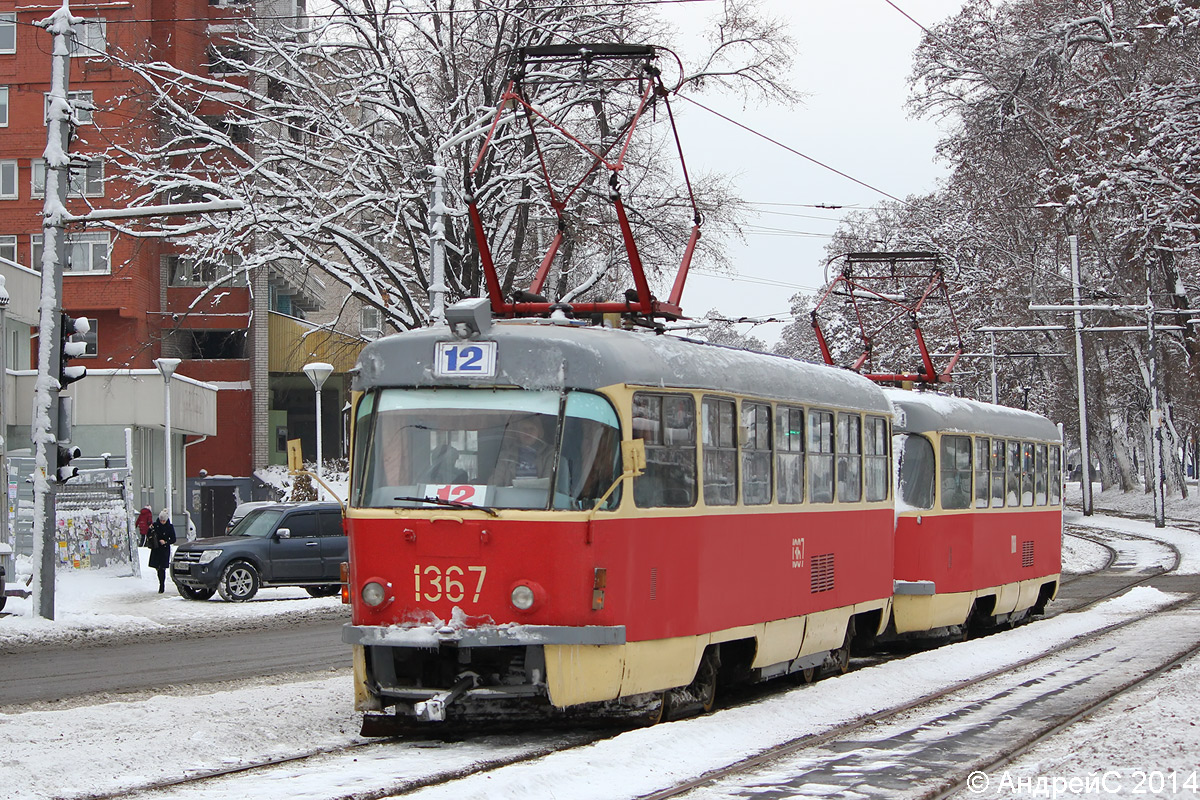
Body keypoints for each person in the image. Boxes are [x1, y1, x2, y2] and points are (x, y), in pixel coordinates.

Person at [492, 415, 554, 485]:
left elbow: (548, 483)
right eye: (524, 429)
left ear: (539, 432)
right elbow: (495, 482)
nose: (527, 432)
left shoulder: (549, 453)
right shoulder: (506, 455)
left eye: (532, 429)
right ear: (518, 433)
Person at [147, 508, 177, 594]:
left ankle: (162, 585)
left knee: (162, 568)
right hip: (156, 549)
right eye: (161, 520)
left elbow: (173, 539)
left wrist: (166, 542)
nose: (162, 522)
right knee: (158, 568)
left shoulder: (170, 527)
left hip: (164, 550)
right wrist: (150, 530)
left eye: (164, 520)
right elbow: (149, 535)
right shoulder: (155, 525)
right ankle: (161, 583)